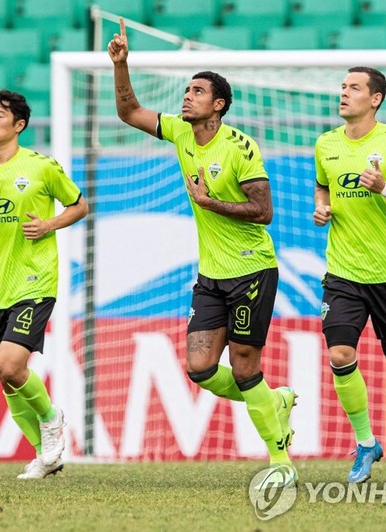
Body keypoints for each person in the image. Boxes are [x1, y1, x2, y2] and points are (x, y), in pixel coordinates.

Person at [108, 19, 296, 482]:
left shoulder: (240, 148)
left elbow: (263, 210)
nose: (186, 96)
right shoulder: (179, 132)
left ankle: (279, 460)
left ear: (219, 105)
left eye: (197, 91)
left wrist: (211, 202)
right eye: (187, 89)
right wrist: (121, 65)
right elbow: (130, 111)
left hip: (252, 271)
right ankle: (274, 402)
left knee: (245, 364)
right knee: (200, 368)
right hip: (211, 275)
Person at [0, 89, 87, 479]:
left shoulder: (42, 167)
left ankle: (51, 417)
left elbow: (79, 205)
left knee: (12, 365)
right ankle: (47, 453)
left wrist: (49, 225)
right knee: (6, 377)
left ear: (19, 125)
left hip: (35, 280)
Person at [313, 66, 386, 484]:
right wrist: (322, 207)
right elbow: (323, 185)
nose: (343, 93)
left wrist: (383, 188)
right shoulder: (325, 143)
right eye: (342, 86)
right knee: (339, 355)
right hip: (342, 271)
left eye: (354, 88)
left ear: (375, 98)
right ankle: (366, 444)